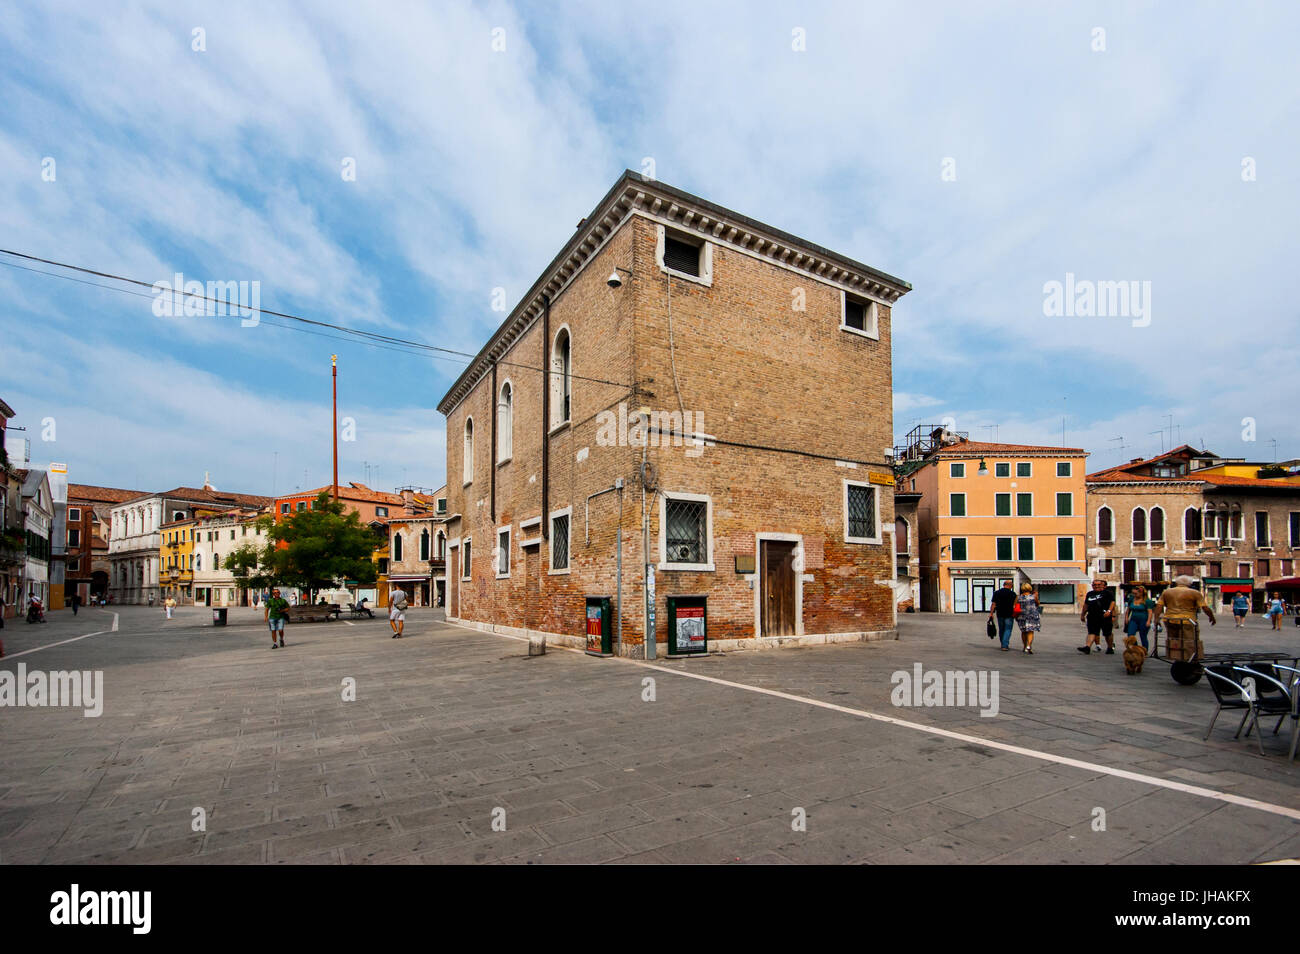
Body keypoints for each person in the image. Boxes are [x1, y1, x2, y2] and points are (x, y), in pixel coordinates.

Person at [1153, 575, 1216, 662]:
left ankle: (1176, 657)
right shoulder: (1194, 593)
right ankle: (1189, 658)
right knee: (1189, 641)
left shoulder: (1167, 592)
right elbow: (1205, 607)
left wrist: (1156, 618)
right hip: (1187, 620)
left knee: (1174, 639)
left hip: (1170, 619)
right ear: (1190, 583)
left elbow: (1159, 606)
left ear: (1176, 582)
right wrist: (1211, 617)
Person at [1079, 579, 1117, 655]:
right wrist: (1082, 614)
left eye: (1098, 585)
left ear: (1102, 585)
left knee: (1107, 633)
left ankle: (1110, 648)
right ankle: (1087, 647)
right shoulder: (1090, 594)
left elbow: (1112, 602)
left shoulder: (1107, 593)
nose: (1096, 586)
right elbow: (1086, 605)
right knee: (1092, 632)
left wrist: (1109, 611)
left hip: (1104, 616)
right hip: (1092, 616)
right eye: (1094, 585)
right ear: (1092, 586)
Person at [987, 580, 1018, 652]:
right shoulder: (1013, 594)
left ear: (1004, 585)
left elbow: (993, 604)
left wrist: (991, 613)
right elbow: (1015, 605)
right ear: (1010, 586)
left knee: (1002, 629)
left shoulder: (997, 593)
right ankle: (1004, 645)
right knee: (1008, 629)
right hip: (1009, 614)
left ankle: (1003, 643)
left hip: (1000, 613)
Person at [1124, 584, 1156, 653]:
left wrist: (1148, 621)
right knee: (1130, 635)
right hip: (1133, 619)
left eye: (1136, 593)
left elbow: (1150, 612)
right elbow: (1128, 610)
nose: (1134, 595)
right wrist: (1126, 618)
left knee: (1143, 636)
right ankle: (1136, 648)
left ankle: (1144, 651)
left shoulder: (1147, 601)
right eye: (1133, 593)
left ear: (1141, 593)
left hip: (1143, 620)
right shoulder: (1132, 599)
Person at [1016, 583, 1041, 654]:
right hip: (1032, 615)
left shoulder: (1018, 597)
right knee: (1030, 631)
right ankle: (1029, 645)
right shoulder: (1033, 596)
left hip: (1022, 615)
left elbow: (1015, 606)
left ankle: (1024, 646)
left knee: (1023, 631)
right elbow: (1038, 604)